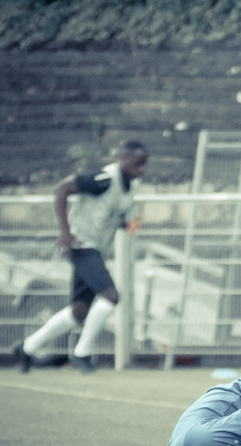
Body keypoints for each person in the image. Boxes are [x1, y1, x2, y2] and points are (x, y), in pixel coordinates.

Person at [13, 140, 148, 374]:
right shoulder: (102, 179)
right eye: (137, 164)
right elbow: (61, 189)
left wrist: (126, 224)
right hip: (81, 245)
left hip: (97, 248)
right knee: (111, 295)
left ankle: (26, 348)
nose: (141, 169)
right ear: (124, 159)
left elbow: (110, 214)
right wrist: (65, 233)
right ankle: (81, 353)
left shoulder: (133, 184)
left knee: (78, 312)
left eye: (144, 164)